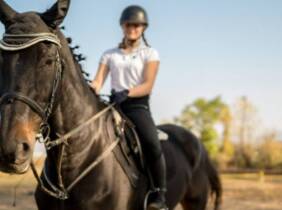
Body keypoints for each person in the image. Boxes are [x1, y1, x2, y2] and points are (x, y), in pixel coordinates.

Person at [90, 5, 168, 210]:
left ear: (143, 28)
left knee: (151, 142)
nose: (133, 28)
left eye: (137, 25)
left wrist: (127, 92)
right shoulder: (109, 54)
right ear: (123, 26)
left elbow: (148, 85)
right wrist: (91, 88)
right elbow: (98, 81)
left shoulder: (150, 53)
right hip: (113, 105)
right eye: (129, 24)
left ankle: (159, 193)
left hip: (137, 106)